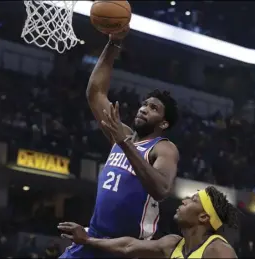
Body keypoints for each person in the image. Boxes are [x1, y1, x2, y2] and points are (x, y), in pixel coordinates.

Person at [59, 26, 179, 258]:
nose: (144, 109)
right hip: (92, 237)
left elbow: (162, 189)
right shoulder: (121, 133)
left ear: (163, 124)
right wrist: (113, 43)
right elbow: (96, 93)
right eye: (144, 104)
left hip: (126, 248)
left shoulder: (163, 147)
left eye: (153, 108)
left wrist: (124, 143)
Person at [58, 186, 239, 258]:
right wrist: (87, 240)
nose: (184, 201)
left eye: (192, 200)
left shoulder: (218, 251)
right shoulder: (173, 244)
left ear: (204, 217)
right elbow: (128, 246)